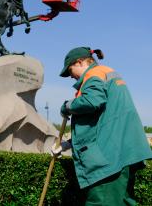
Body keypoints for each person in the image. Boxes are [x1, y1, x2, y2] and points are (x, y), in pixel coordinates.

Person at [52, 46, 152, 205]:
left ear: (80, 62)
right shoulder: (106, 72)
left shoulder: (94, 74)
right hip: (124, 153)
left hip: (111, 158)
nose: (70, 77)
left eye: (70, 71)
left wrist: (67, 106)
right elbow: (101, 122)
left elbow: (92, 101)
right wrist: (67, 144)